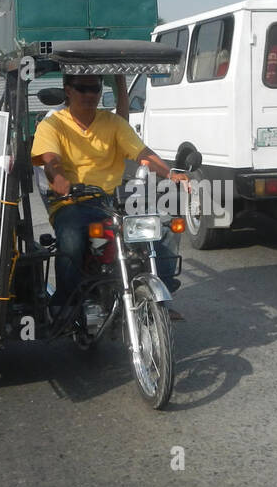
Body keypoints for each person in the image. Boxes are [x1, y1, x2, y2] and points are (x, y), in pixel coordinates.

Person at [33, 72, 189, 322]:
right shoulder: (51, 124)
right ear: (68, 90)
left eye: (94, 89)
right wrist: (59, 179)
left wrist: (170, 174)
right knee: (71, 239)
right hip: (71, 202)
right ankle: (65, 302)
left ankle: (162, 293)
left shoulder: (113, 123)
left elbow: (141, 152)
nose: (89, 95)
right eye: (82, 89)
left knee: (161, 227)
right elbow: (49, 159)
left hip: (108, 201)